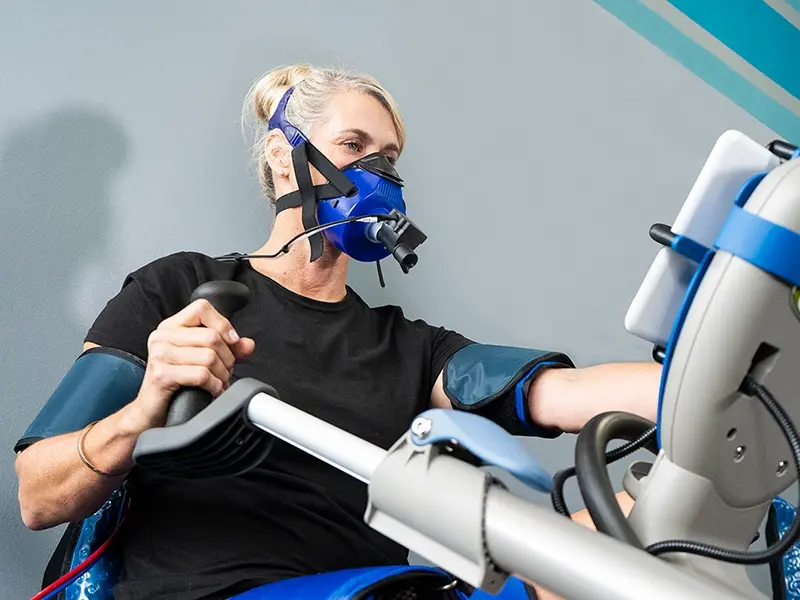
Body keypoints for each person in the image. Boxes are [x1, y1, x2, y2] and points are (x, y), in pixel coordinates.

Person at [14, 64, 661, 600]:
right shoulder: (180, 290)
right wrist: (145, 411)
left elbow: (561, 391)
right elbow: (39, 494)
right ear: (281, 153)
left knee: (615, 535)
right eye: (355, 147)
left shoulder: (410, 347)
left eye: (390, 159)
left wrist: (709, 383)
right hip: (196, 589)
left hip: (367, 590)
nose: (380, 177)